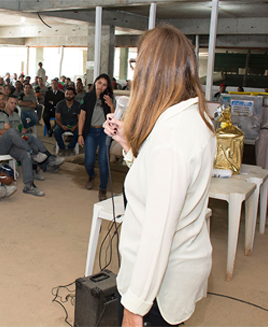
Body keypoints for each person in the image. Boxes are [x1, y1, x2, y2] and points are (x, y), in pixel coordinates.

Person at [102, 25, 214, 327]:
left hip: (157, 290)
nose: (134, 73)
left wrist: (134, 307)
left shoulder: (171, 140)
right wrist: (129, 146)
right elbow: (161, 182)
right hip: (177, 271)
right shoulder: (191, 117)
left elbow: (158, 232)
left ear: (152, 71)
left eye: (137, 63)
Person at [0, 94, 49, 196]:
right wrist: (7, 135)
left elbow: (5, 130)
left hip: (9, 144)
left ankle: (29, 185)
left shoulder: (2, 115)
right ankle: (33, 152)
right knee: (12, 132)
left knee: (25, 155)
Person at [79, 73, 115, 201]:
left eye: (104, 85)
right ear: (95, 82)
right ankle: (91, 175)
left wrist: (111, 105)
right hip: (91, 132)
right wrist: (80, 134)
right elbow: (82, 116)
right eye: (99, 83)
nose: (101, 86)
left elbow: (115, 117)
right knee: (88, 161)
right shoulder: (88, 96)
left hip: (104, 132)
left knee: (103, 161)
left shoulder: (109, 98)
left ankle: (103, 188)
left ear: (107, 87)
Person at [53, 87, 79, 156]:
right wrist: (61, 125)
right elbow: (57, 118)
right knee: (56, 131)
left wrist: (75, 126)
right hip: (62, 123)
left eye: (70, 94)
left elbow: (80, 119)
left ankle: (70, 148)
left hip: (74, 123)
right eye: (67, 94)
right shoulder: (60, 104)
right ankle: (62, 148)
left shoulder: (78, 105)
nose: (68, 96)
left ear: (74, 95)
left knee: (79, 131)